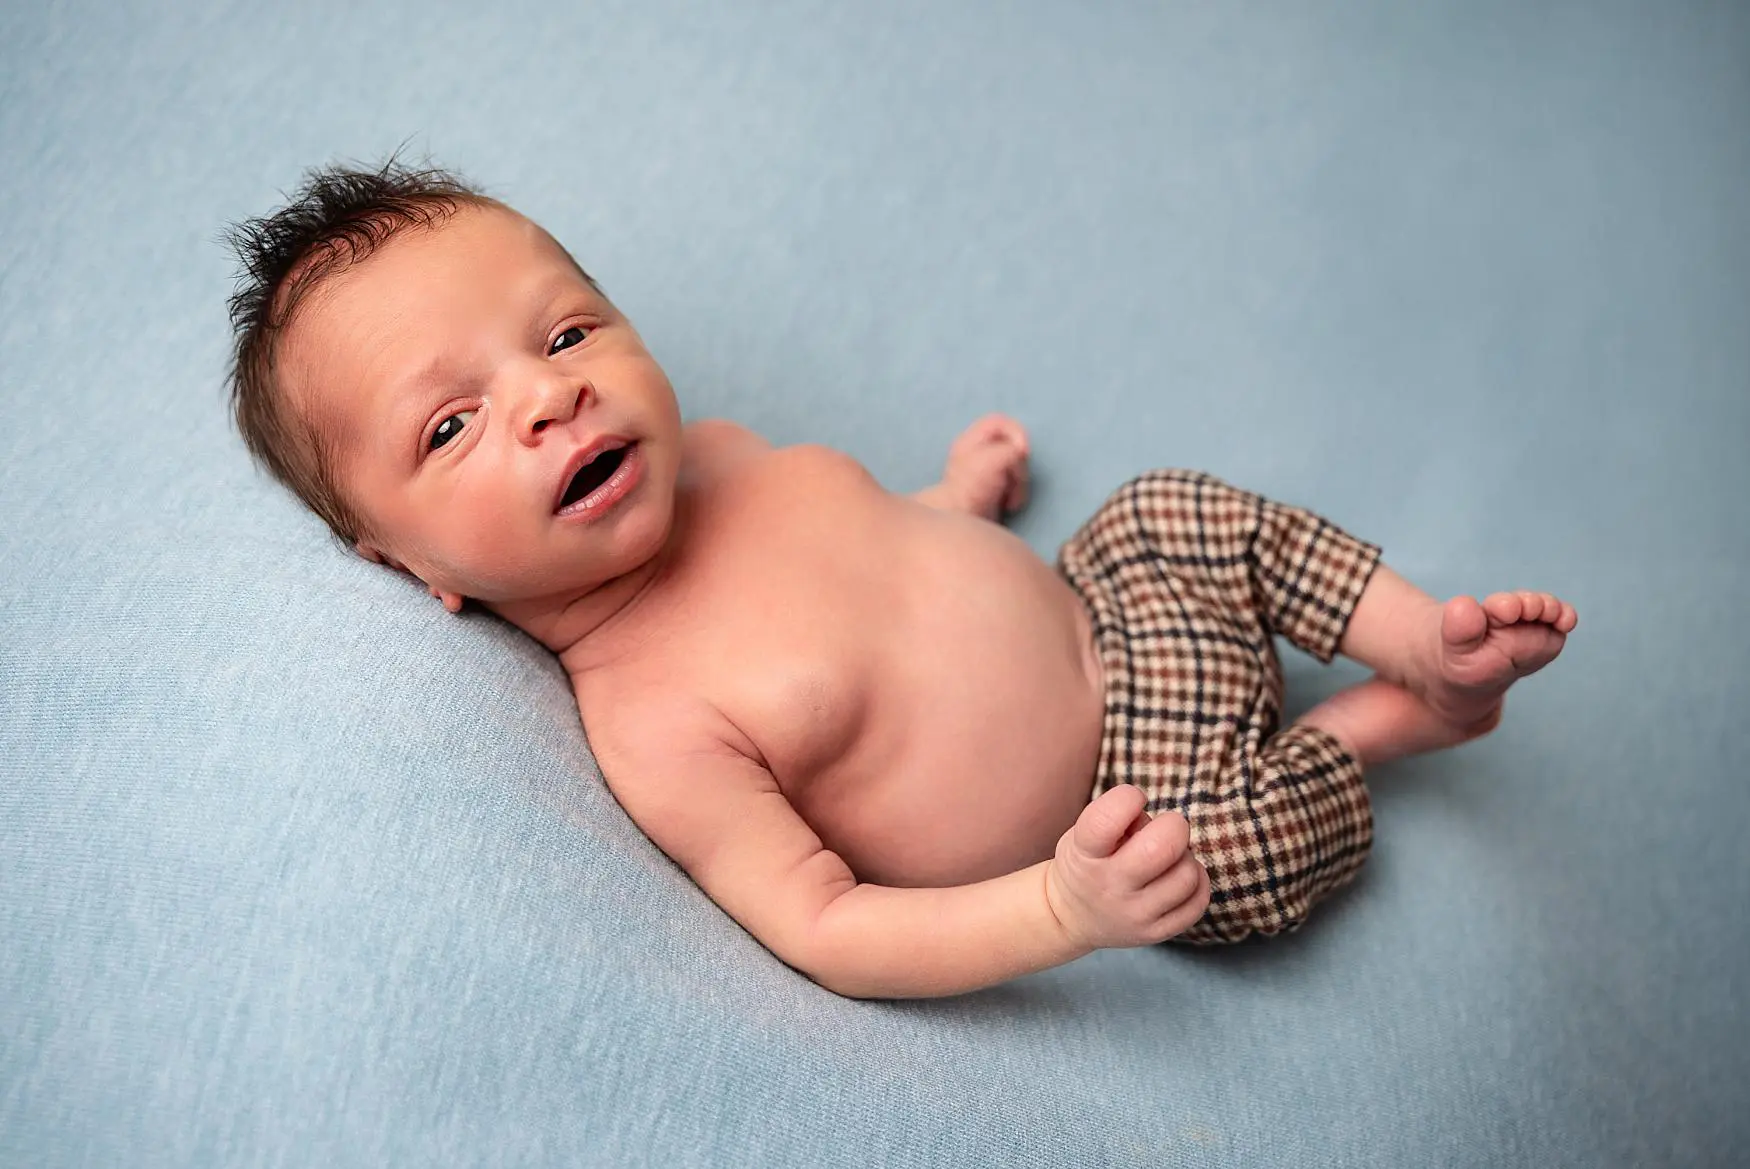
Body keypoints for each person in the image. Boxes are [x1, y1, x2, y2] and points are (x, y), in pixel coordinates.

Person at [224, 157, 1578, 1000]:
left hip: (1107, 605)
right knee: (1218, 869)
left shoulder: (726, 459)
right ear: (407, 565)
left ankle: (1415, 634)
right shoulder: (653, 716)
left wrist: (952, 500)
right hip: (1133, 805)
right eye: (449, 426)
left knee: (1157, 504)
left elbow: (872, 542)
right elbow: (825, 924)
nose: (548, 394)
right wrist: (1063, 907)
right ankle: (1382, 727)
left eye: (568, 327)